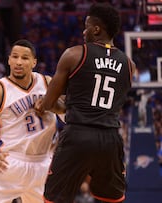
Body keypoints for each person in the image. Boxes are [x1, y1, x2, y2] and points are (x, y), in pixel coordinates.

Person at [34, 3, 136, 203]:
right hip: (111, 138)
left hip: (78, 135)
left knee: (54, 199)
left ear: (96, 29)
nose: (83, 31)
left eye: (87, 26)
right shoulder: (129, 65)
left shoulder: (75, 54)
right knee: (111, 200)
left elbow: (49, 103)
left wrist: (42, 104)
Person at [0, 39, 64, 203]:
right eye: (15, 57)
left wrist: (52, 106)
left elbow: (68, 114)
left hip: (43, 164)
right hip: (10, 164)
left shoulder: (48, 83)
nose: (19, 62)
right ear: (9, 60)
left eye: (25, 58)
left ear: (34, 62)